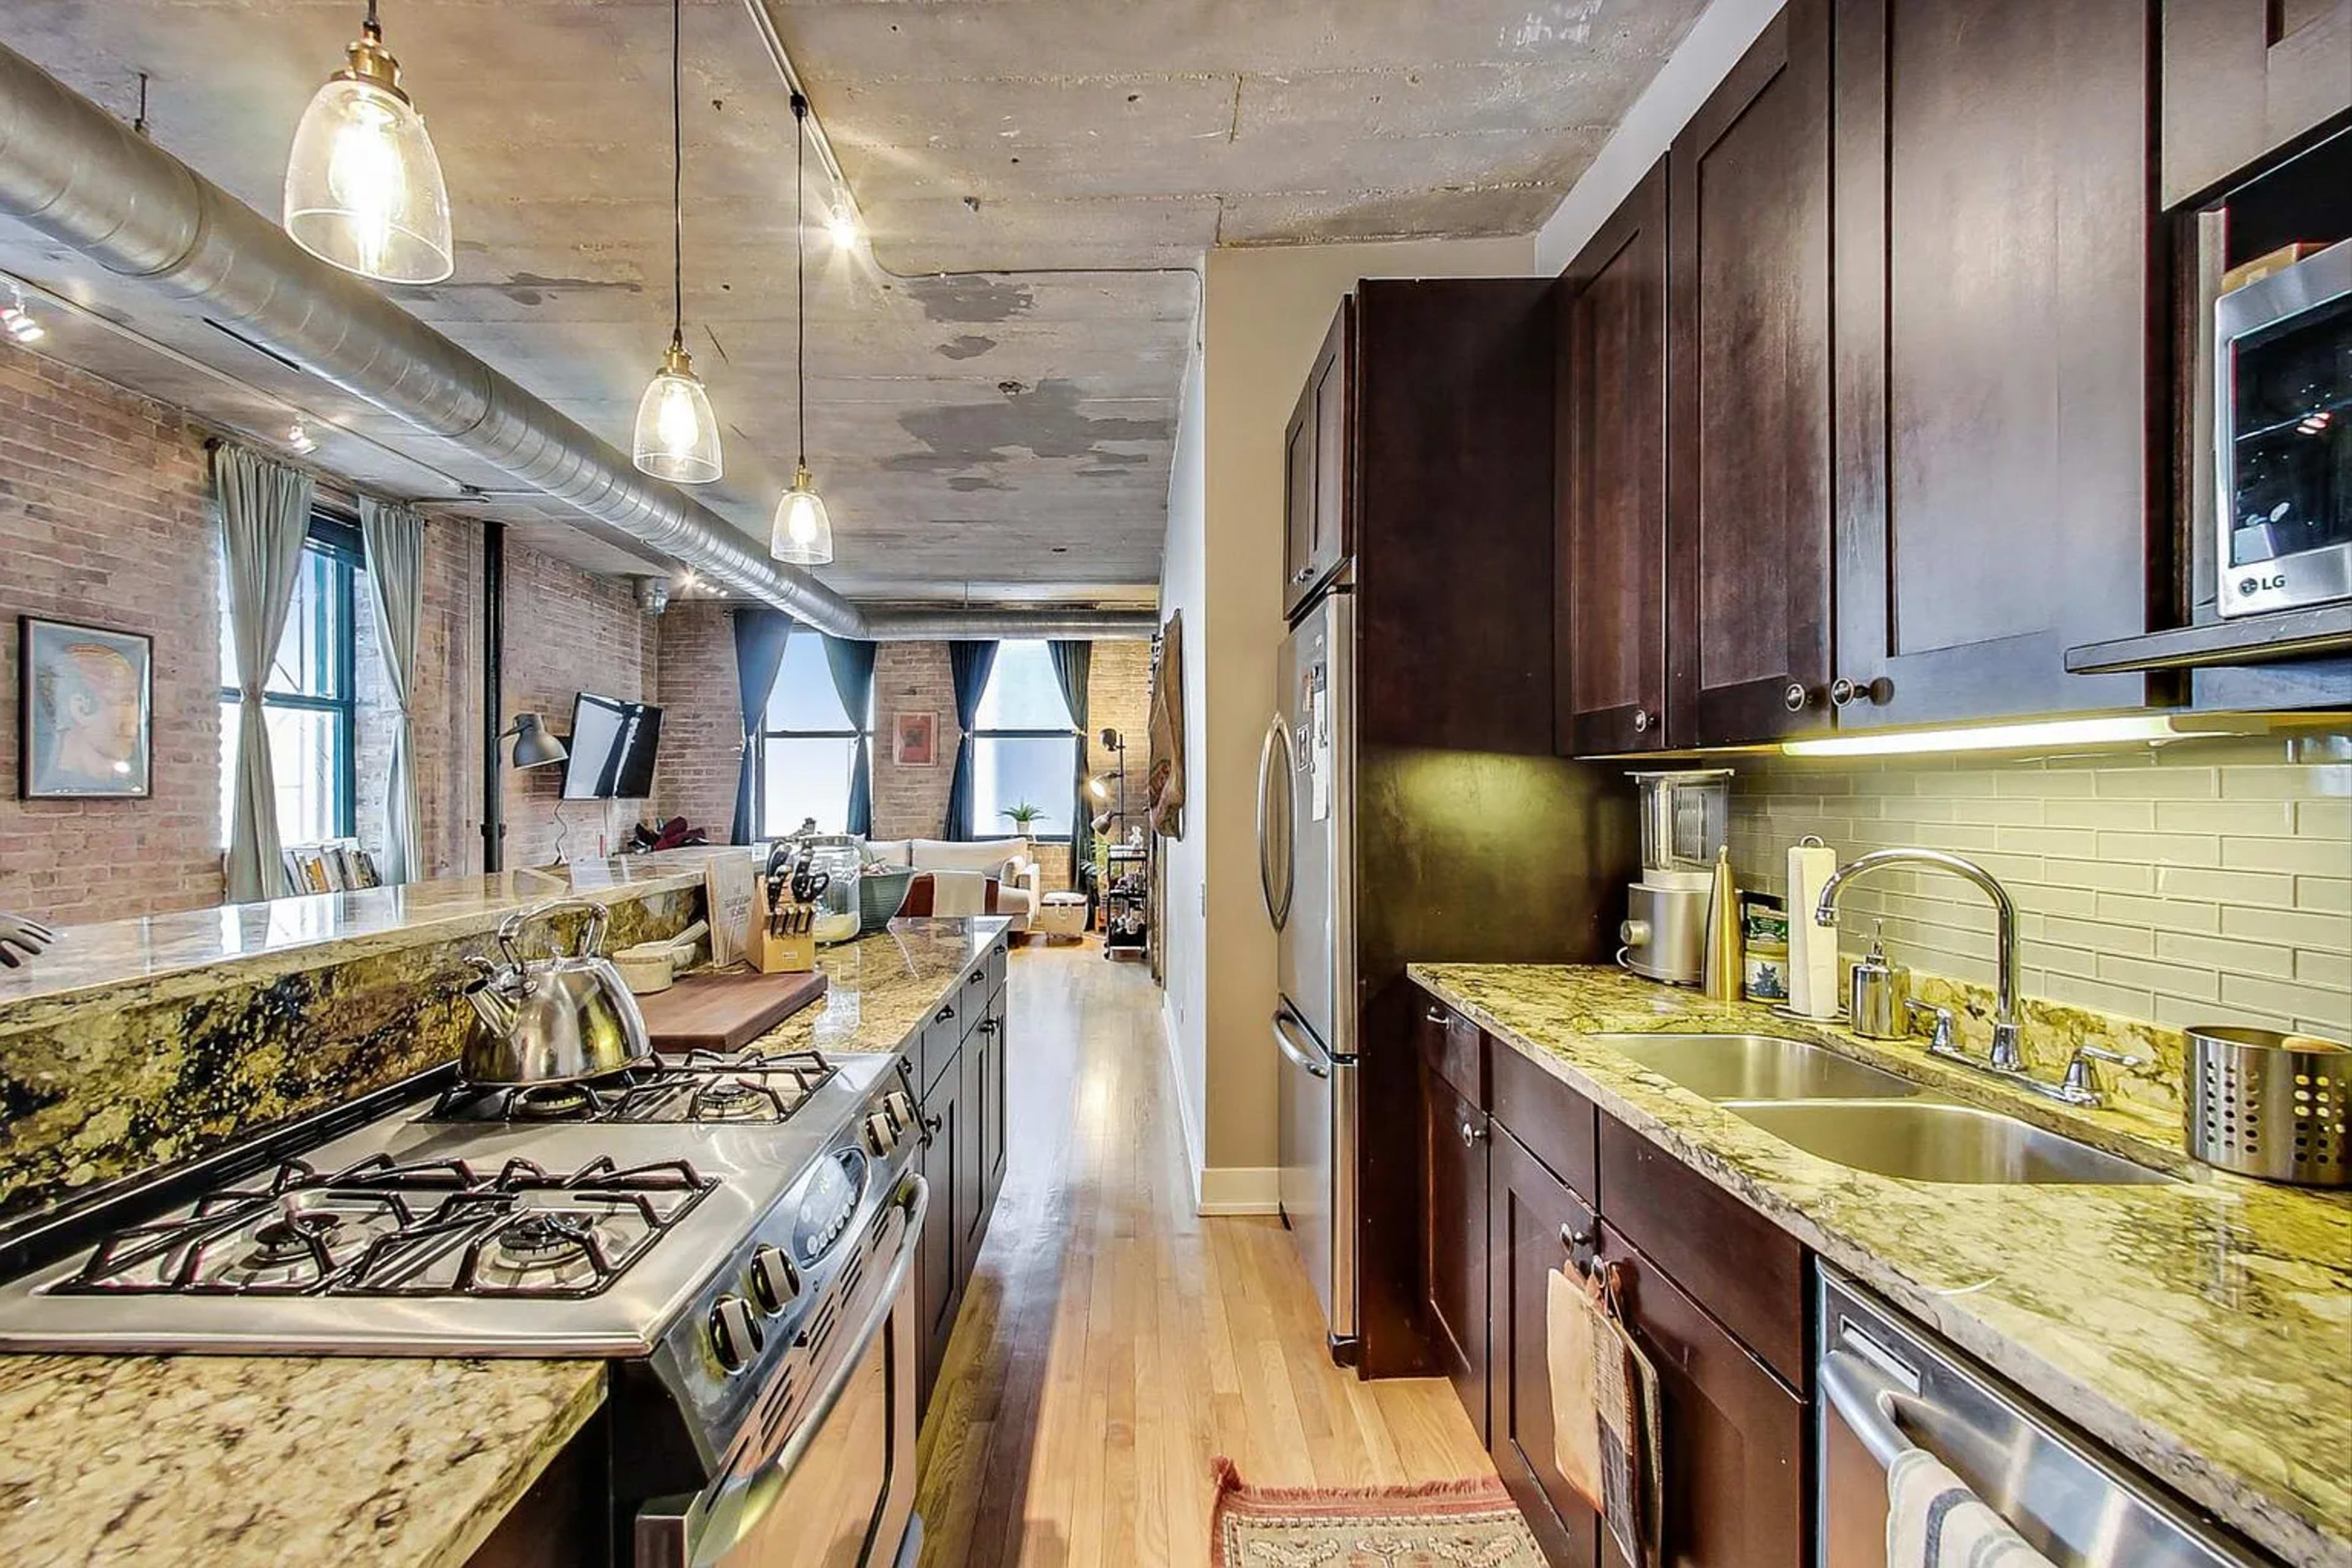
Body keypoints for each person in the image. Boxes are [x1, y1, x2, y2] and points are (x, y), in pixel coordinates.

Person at [34, 637, 144, 792]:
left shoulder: (124, 787)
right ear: (81, 709)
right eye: (125, 701)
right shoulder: (50, 786)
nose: (136, 722)